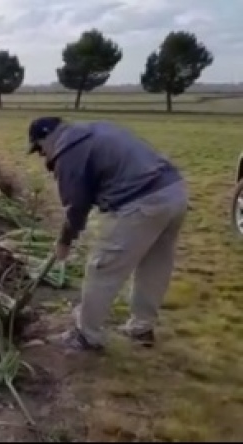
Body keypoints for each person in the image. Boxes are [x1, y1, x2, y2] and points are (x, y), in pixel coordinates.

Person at [27, 117, 188, 352]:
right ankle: (142, 328)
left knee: (102, 267)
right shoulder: (92, 130)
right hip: (174, 193)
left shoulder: (69, 151)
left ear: (47, 138)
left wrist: (64, 242)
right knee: (154, 264)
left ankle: (86, 336)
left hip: (141, 202)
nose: (43, 156)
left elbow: (76, 206)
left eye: (40, 149)